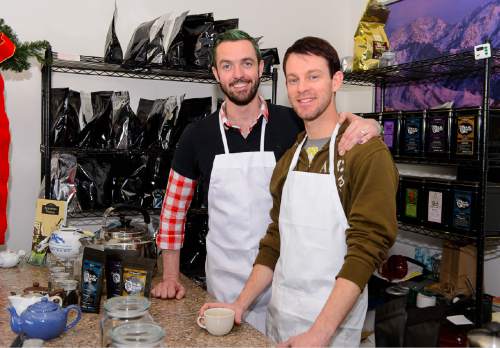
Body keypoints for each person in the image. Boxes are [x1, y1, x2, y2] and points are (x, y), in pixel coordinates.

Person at [152, 30, 381, 334]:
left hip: (287, 289)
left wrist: (370, 125)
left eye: (247, 63)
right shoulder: (196, 136)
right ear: (215, 74)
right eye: (227, 66)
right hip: (225, 288)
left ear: (261, 68)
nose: (238, 75)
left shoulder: (295, 121)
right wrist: (171, 277)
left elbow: (335, 124)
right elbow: (173, 211)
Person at [200, 36, 398, 347]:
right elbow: (274, 241)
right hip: (281, 320)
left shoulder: (364, 153)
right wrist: (239, 305)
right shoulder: (289, 157)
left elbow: (367, 249)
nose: (301, 88)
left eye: (313, 76)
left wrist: (319, 333)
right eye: (293, 79)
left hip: (330, 332)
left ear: (336, 80)